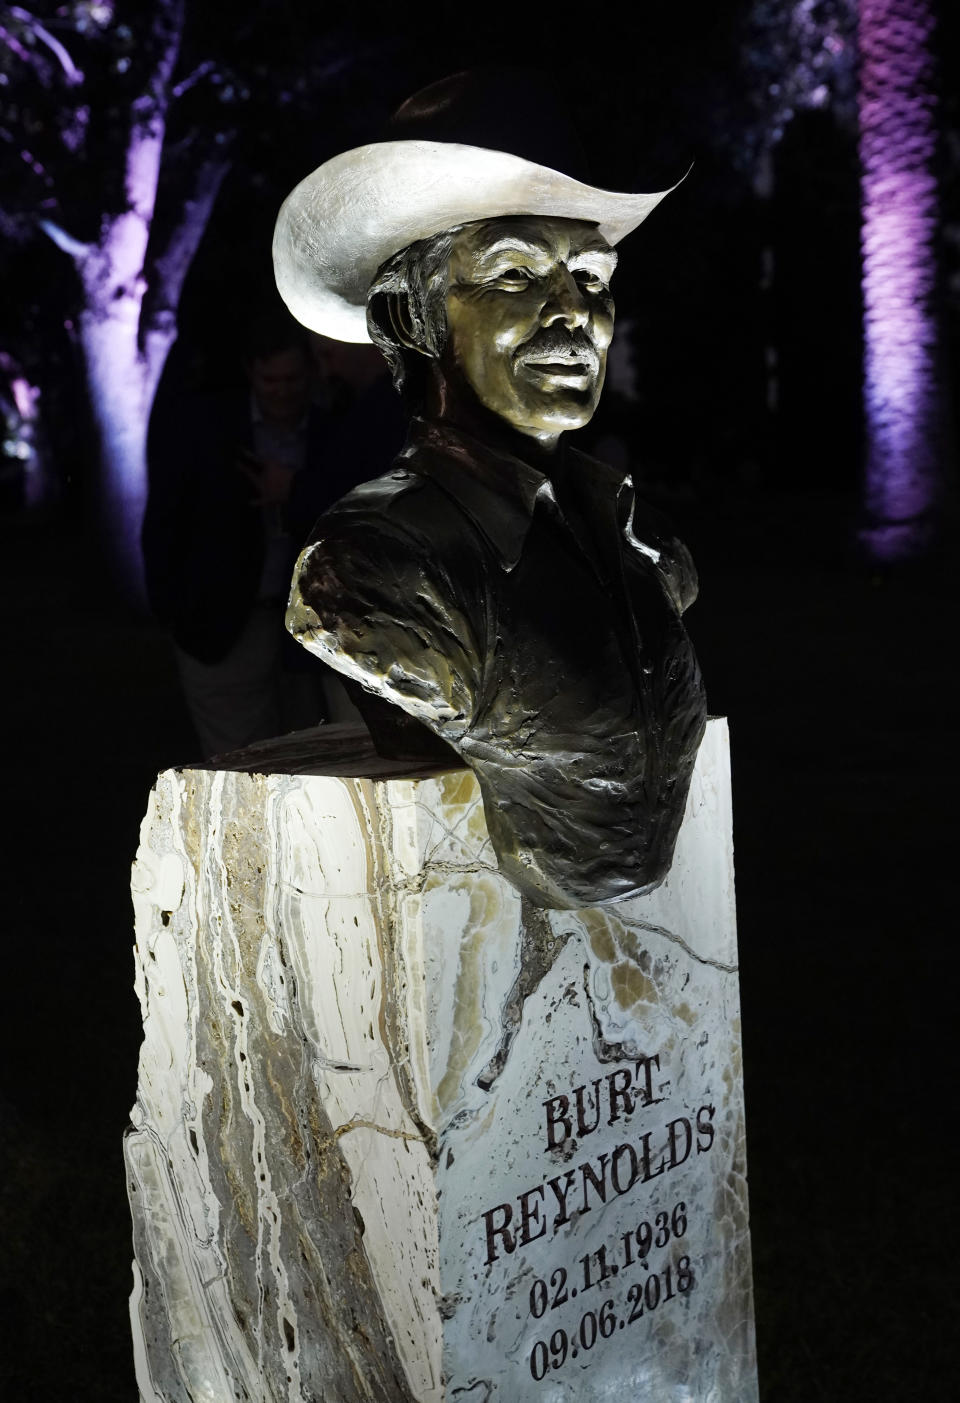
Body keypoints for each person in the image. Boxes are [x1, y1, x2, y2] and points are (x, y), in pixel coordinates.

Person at [273, 70, 707, 910]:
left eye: (591, 276)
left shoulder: (648, 547)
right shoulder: (372, 566)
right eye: (515, 275)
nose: (573, 312)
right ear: (414, 319)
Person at [142, 310, 375, 756]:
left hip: (308, 628)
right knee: (238, 758)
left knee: (313, 753)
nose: (283, 392)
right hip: (225, 622)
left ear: (308, 374)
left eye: (291, 380)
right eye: (272, 382)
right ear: (252, 374)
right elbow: (166, 521)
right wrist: (172, 611)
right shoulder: (209, 431)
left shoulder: (333, 431)